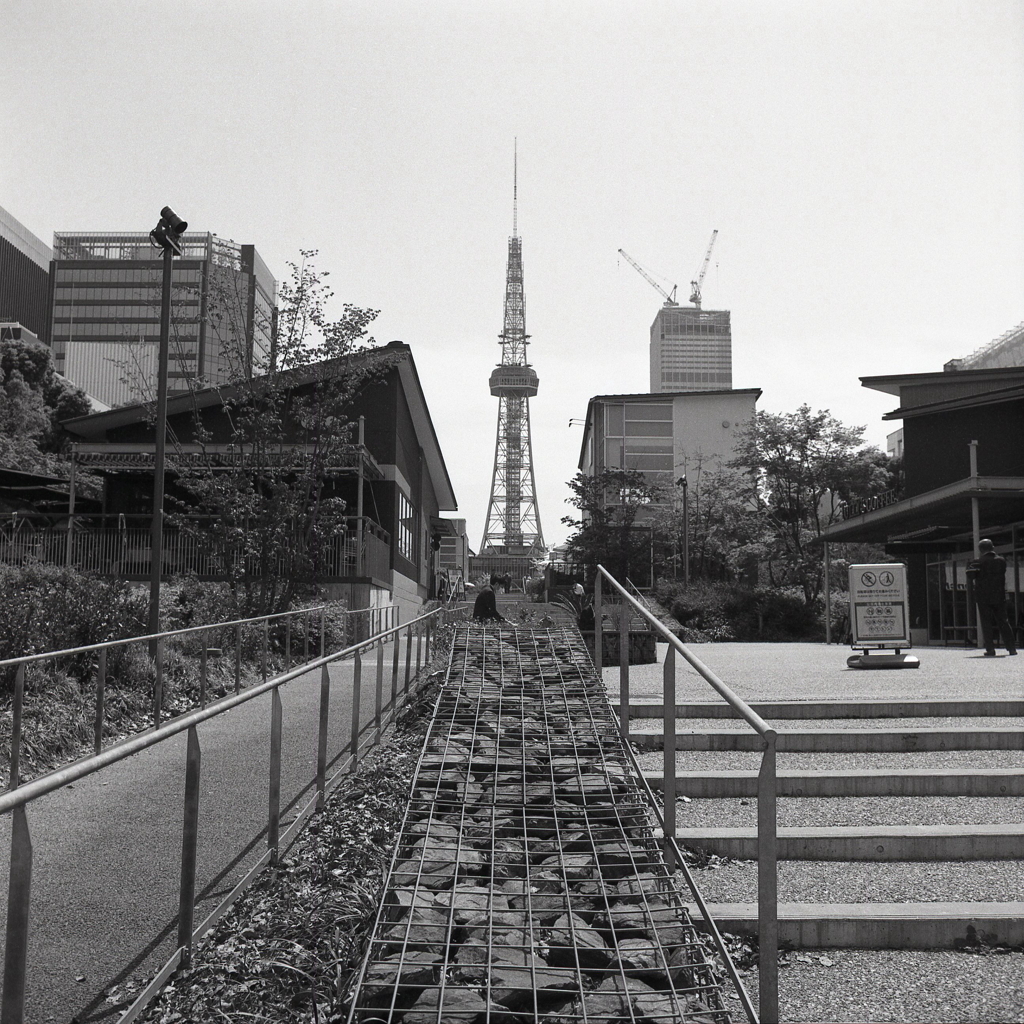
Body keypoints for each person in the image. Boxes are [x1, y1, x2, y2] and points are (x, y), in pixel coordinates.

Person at [966, 539, 1018, 657]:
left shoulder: (977, 562)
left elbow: (970, 576)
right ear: (993, 547)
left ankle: (990, 649)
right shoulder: (1001, 561)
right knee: (1004, 622)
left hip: (983, 596)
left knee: (986, 622)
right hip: (999, 596)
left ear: (980, 550)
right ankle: (1011, 648)